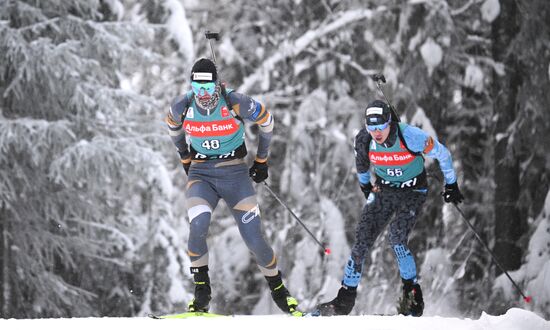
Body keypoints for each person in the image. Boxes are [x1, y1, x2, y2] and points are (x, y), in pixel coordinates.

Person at [165, 58, 301, 316]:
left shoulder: (235, 102)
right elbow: (173, 127)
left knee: (253, 238)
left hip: (236, 176)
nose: (202, 94)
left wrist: (262, 160)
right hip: (201, 175)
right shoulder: (183, 105)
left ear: (217, 84)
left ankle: (279, 290)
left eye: (207, 88)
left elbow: (268, 122)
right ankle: (202, 292)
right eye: (197, 88)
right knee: (198, 225)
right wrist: (185, 157)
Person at [316, 100, 464, 316]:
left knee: (396, 237)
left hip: (412, 192)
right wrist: (367, 189)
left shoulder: (410, 135)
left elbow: (443, 153)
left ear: (389, 123)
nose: (376, 132)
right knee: (362, 239)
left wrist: (451, 184)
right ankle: (344, 299)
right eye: (371, 127)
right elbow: (362, 168)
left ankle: (412, 295)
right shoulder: (364, 139)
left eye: (380, 127)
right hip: (384, 190)